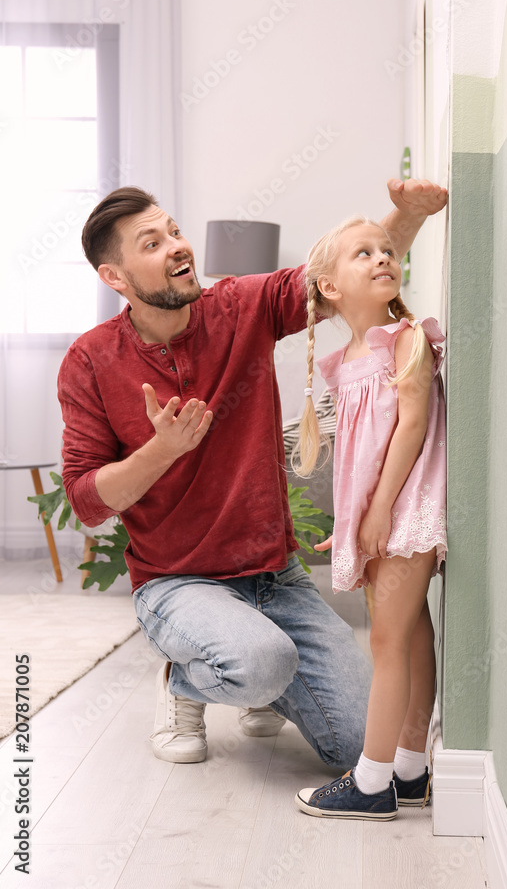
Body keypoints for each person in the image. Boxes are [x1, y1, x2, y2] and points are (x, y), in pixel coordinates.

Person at [58, 180, 447, 772]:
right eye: (152, 243)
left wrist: (409, 214)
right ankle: (188, 682)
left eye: (174, 231)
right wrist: (161, 452)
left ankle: (262, 675)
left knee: (368, 748)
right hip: (178, 584)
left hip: (274, 576)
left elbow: (334, 277)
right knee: (261, 661)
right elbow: (87, 501)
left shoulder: (242, 306)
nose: (176, 247)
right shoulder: (89, 361)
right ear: (116, 277)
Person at [292, 215, 447, 820]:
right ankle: (409, 772)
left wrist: (379, 510)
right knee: (408, 635)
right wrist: (354, 516)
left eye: (387, 250)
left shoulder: (405, 339)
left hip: (408, 506)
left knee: (386, 639)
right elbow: (360, 455)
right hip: (384, 510)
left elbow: (412, 427)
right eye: (364, 253)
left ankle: (373, 781)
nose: (383, 257)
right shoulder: (349, 358)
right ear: (330, 286)